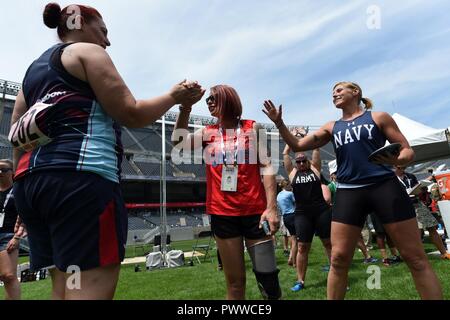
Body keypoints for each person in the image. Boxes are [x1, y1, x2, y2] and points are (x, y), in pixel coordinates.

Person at [10, 3, 203, 300]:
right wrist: (174, 96)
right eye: (102, 31)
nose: (107, 41)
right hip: (80, 183)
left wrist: (18, 196)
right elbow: (132, 114)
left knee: (63, 286)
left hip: (31, 189)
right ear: (79, 24)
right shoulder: (88, 52)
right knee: (86, 288)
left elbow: (17, 141)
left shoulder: (30, 76)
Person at [262, 81, 443, 299]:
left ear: (355, 92)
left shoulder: (378, 117)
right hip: (349, 191)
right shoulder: (331, 126)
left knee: (415, 257)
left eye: (339, 90)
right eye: (332, 93)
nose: (334, 95)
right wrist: (279, 123)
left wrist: (396, 159)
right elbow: (299, 145)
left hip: (384, 186)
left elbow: (407, 152)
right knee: (338, 259)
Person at [172, 84, 281, 300]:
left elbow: (267, 166)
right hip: (223, 215)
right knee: (235, 284)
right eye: (207, 100)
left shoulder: (252, 127)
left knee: (268, 279)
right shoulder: (208, 132)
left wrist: (271, 207)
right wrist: (185, 108)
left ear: (228, 99)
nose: (209, 102)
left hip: (256, 214)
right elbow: (179, 143)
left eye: (214, 98)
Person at [282, 135, 332, 292]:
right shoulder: (292, 174)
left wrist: (305, 138)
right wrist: (292, 139)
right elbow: (285, 154)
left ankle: (337, 276)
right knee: (302, 247)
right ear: (296, 164)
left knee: (328, 244)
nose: (302, 163)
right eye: (299, 161)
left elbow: (316, 148)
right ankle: (300, 281)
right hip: (302, 213)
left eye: (304, 160)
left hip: (321, 211)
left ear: (308, 161)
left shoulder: (315, 170)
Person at [394, 166, 450, 260]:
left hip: (417, 204)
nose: (403, 168)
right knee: (413, 232)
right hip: (403, 206)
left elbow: (418, 188)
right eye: (400, 166)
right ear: (395, 166)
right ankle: (416, 255)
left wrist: (421, 189)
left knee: (432, 228)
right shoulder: (391, 179)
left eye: (404, 166)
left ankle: (444, 253)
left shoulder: (410, 176)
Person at [327, 160, 377, 264]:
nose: (338, 174)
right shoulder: (330, 187)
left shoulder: (345, 184)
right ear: (332, 175)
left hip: (350, 213)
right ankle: (342, 259)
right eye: (335, 173)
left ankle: (365, 257)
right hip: (338, 216)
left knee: (356, 237)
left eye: (339, 172)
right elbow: (328, 202)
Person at [0, 159, 24, 300]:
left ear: (12, 173)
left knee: (8, 275)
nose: (0, 173)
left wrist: (17, 237)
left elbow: (25, 215)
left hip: (9, 235)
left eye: (3, 169)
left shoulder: (19, 191)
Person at [276, 179, 297, 267]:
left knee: (291, 237)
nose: (291, 186)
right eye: (290, 185)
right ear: (286, 185)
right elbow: (296, 202)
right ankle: (293, 261)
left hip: (285, 217)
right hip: (292, 215)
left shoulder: (278, 195)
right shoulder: (290, 194)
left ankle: (292, 258)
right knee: (295, 239)